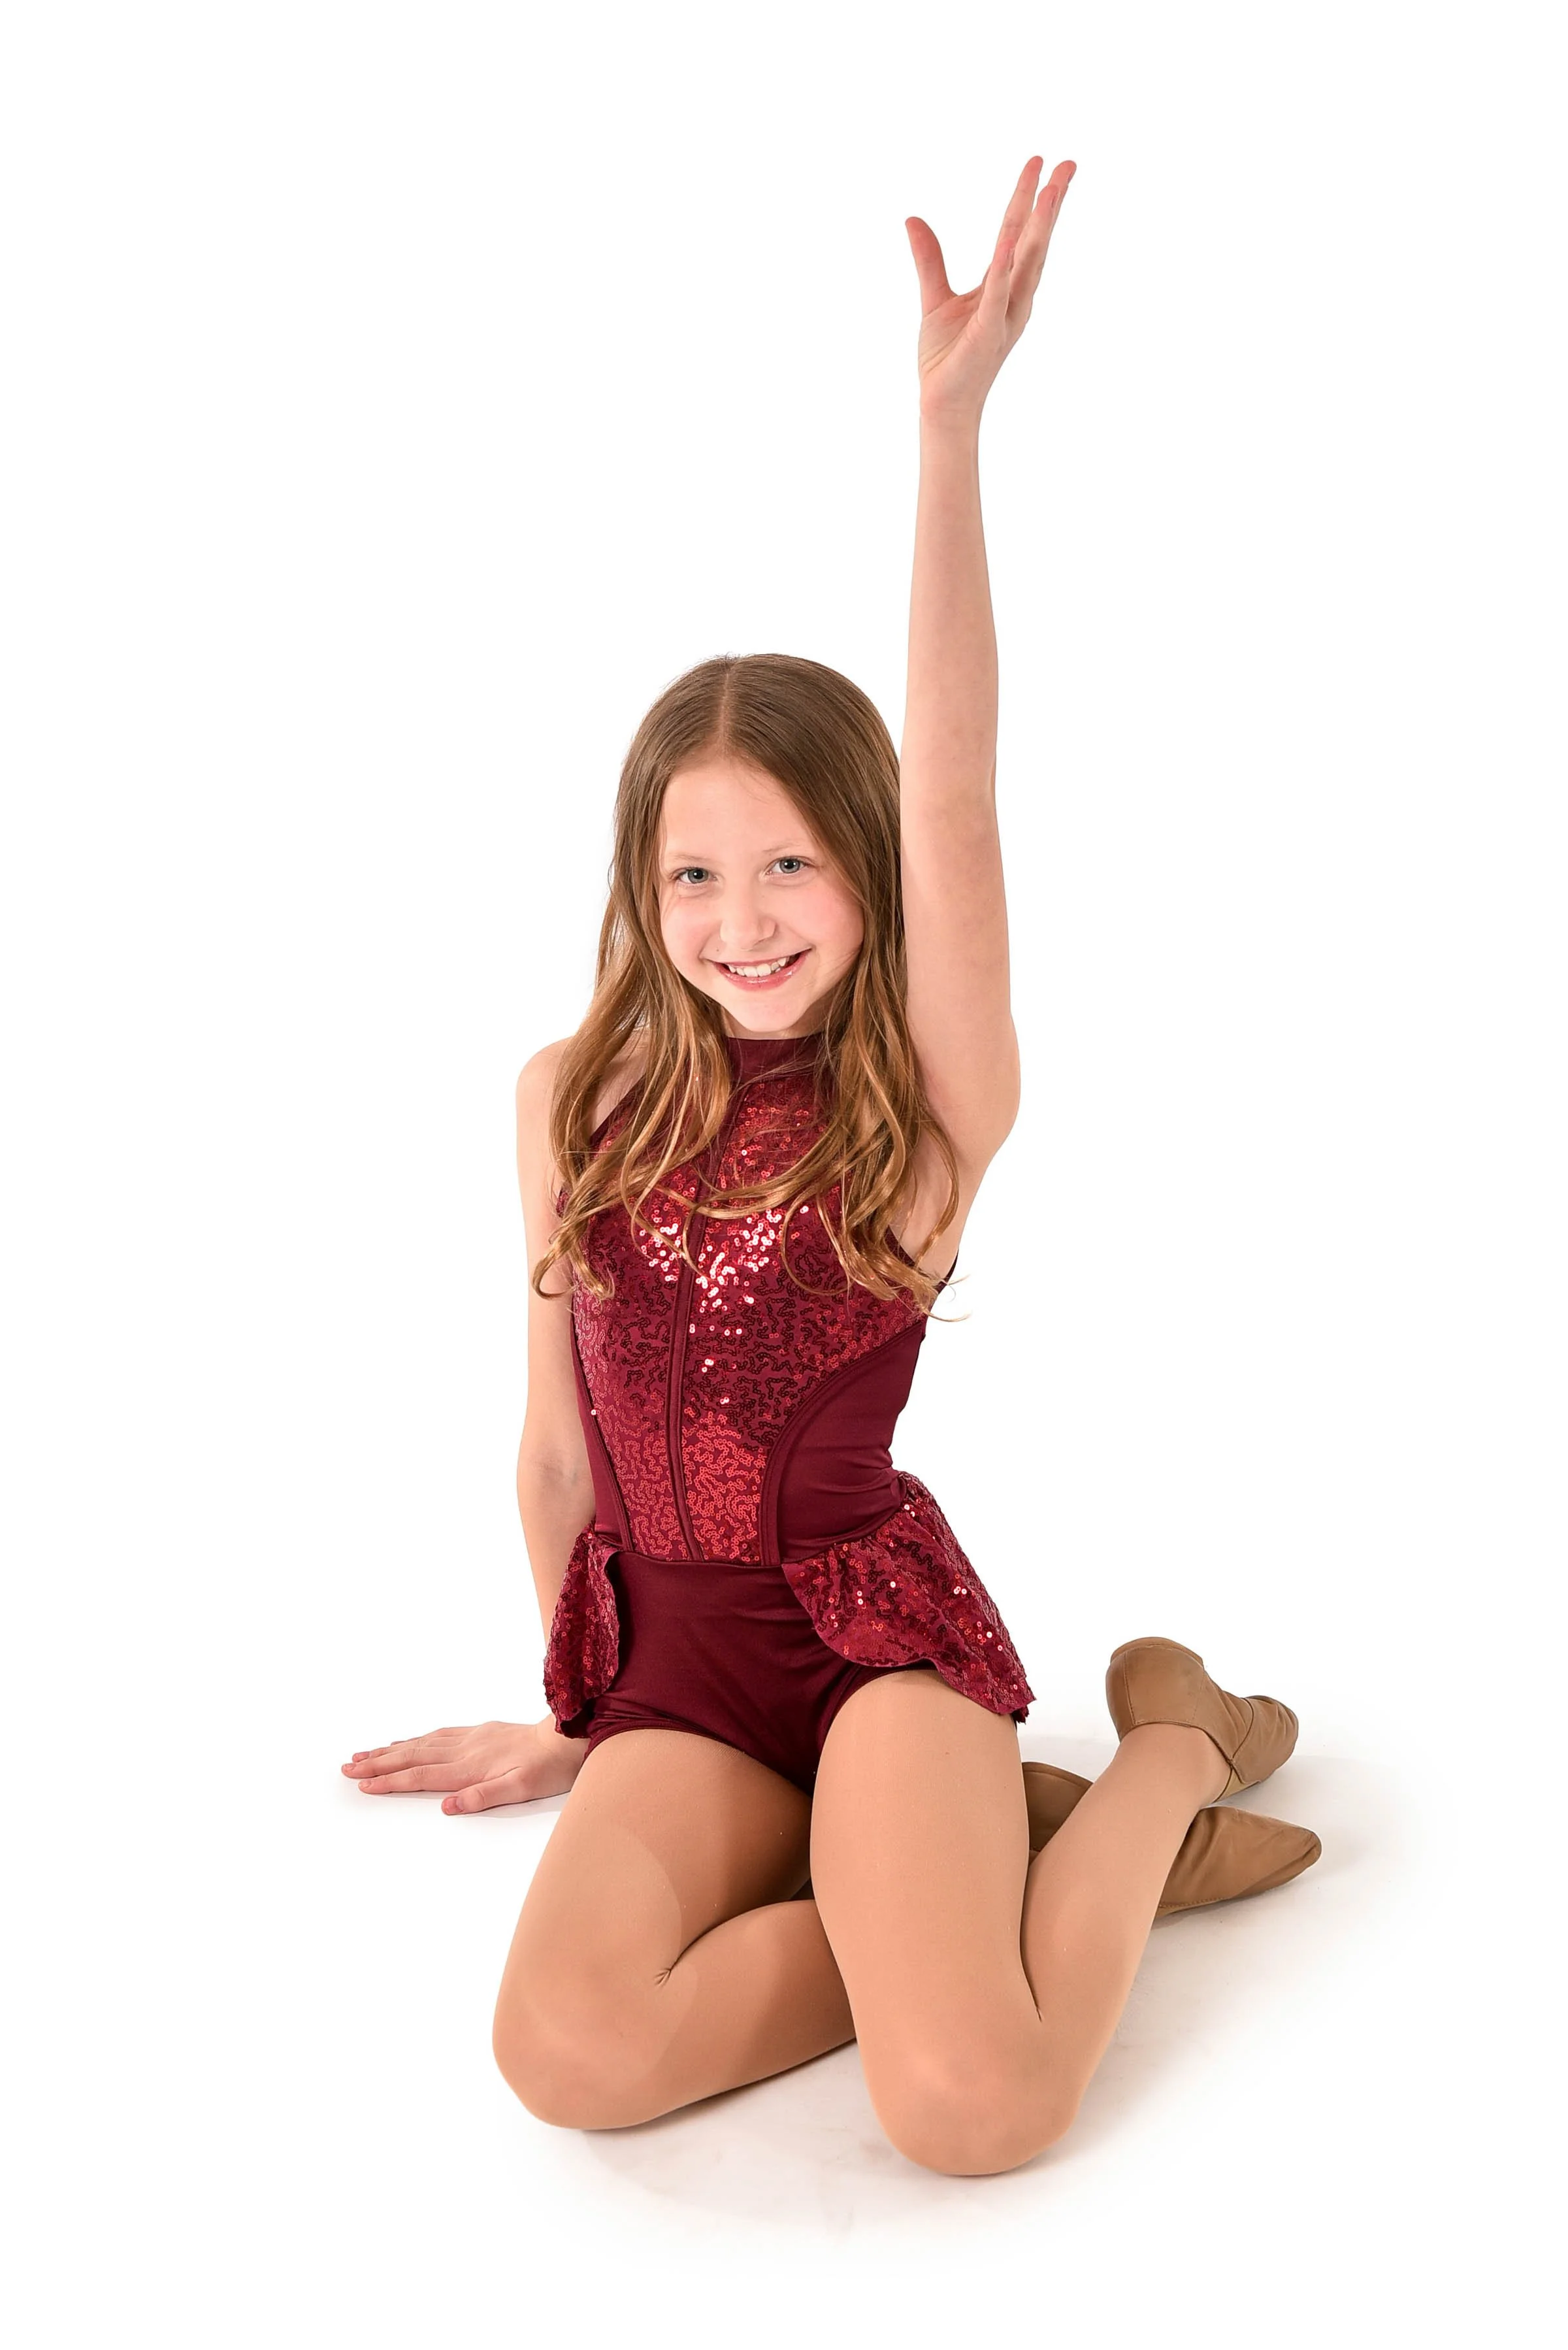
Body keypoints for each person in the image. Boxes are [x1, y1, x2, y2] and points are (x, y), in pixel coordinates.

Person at [340, 154, 1320, 2177]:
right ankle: (956, 1887)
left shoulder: (924, 1111)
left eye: (792, 861)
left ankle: (1156, 1750)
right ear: (641, 887)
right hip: (682, 1692)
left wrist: (948, 432)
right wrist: (585, 1717)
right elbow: (554, 1458)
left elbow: (955, 773)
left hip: (874, 1655)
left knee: (970, 2111)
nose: (744, 915)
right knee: (569, 2055)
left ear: (863, 878)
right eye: (696, 870)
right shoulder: (565, 1099)